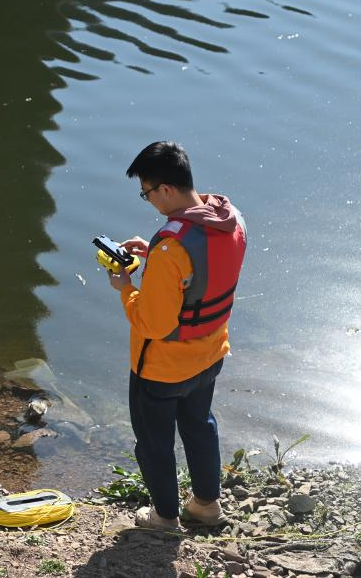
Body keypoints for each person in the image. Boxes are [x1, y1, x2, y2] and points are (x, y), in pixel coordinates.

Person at [107, 141, 247, 531]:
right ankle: (205, 505)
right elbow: (202, 275)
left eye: (147, 192)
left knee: (154, 443)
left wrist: (125, 287)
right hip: (210, 354)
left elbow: (153, 324)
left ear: (165, 189)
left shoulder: (171, 247)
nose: (148, 200)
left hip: (162, 369)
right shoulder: (230, 219)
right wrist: (154, 257)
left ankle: (164, 518)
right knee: (200, 426)